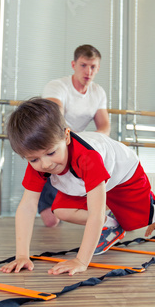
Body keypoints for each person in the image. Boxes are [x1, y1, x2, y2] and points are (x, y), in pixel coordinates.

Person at [0, 98, 155, 276]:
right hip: (84, 180)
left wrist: (81, 261)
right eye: (34, 159)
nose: (45, 164)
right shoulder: (40, 161)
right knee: (61, 210)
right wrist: (22, 255)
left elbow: (95, 212)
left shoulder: (88, 158)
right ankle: (112, 225)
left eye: (50, 153)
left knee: (139, 220)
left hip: (123, 174)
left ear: (66, 136)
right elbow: (27, 206)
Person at [38, 44, 110, 228]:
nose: (88, 71)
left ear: (98, 68)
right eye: (83, 65)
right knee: (51, 221)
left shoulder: (98, 92)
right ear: (73, 64)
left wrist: (89, 141)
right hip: (53, 148)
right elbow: (56, 120)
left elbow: (104, 127)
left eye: (93, 67)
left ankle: (106, 220)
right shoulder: (57, 86)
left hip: (77, 149)